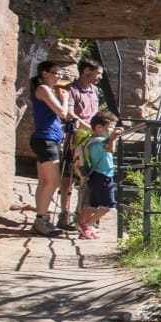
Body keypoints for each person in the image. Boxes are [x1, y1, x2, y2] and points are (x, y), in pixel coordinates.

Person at [29, 61, 75, 236]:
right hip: (45, 139)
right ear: (45, 73)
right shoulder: (44, 90)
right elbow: (62, 113)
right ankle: (41, 220)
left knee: (44, 181)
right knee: (53, 181)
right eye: (57, 73)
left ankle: (40, 220)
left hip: (47, 139)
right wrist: (65, 100)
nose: (60, 77)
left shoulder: (46, 90)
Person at [58, 58, 103, 230]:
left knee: (86, 177)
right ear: (86, 71)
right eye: (97, 73)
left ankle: (80, 215)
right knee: (68, 177)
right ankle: (64, 213)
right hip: (74, 138)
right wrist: (88, 127)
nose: (99, 77)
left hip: (91, 139)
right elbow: (69, 113)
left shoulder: (95, 90)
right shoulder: (71, 89)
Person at [76, 110, 122, 239]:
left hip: (97, 175)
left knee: (93, 205)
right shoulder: (97, 142)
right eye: (110, 126)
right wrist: (113, 138)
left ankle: (83, 227)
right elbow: (111, 149)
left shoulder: (93, 140)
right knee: (109, 206)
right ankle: (87, 225)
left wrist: (112, 136)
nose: (112, 129)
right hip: (103, 176)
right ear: (99, 127)